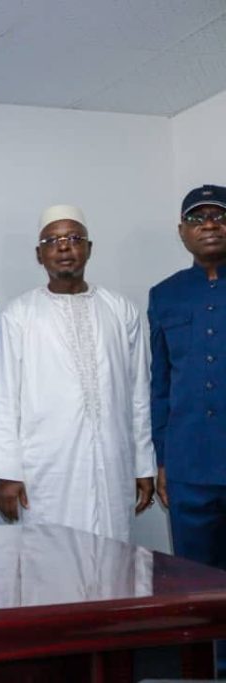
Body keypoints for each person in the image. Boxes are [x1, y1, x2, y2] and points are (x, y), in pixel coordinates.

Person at [0, 205, 156, 542]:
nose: (64, 247)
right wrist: (6, 473)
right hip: (47, 471)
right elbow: (4, 397)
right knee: (51, 558)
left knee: (114, 556)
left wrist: (143, 464)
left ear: (89, 248)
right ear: (39, 254)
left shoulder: (120, 310)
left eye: (74, 238)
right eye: (52, 240)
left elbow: (138, 394)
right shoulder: (19, 315)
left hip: (114, 464)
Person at [149, 186, 226, 576]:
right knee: (196, 581)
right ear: (182, 231)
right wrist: (163, 461)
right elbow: (160, 386)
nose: (209, 225)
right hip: (188, 468)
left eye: (219, 216)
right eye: (197, 218)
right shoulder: (165, 295)